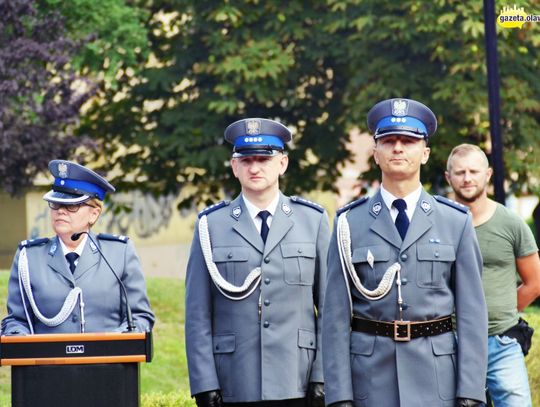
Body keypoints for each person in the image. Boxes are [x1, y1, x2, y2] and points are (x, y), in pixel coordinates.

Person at [322, 98, 488, 407]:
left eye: (408, 141)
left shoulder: (455, 221)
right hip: (370, 381)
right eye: (388, 140)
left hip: (437, 379)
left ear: (424, 153)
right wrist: (339, 395)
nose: (398, 148)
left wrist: (470, 390)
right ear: (375, 153)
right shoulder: (348, 223)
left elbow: (472, 314)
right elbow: (334, 317)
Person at [185, 118, 330, 407]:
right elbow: (197, 313)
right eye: (246, 160)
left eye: (264, 159)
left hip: (297, 378)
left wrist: (323, 375)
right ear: (234, 166)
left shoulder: (312, 221)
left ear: (282, 163)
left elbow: (330, 307)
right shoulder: (210, 225)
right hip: (235, 379)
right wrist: (204, 382)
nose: (255, 168)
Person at [1, 160, 155, 335]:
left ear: (94, 214)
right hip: (47, 362)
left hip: (109, 361)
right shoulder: (28, 257)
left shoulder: (119, 253)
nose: (60, 211)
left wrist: (116, 342)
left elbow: (140, 317)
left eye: (72, 205)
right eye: (56, 204)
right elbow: (16, 320)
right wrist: (18, 337)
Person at [446, 143, 540, 407]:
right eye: (460, 172)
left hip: (501, 342)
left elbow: (535, 283)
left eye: (474, 171)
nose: (467, 178)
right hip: (449, 344)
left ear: (487, 175)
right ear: (448, 177)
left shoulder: (511, 223)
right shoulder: (439, 224)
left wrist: (502, 311)